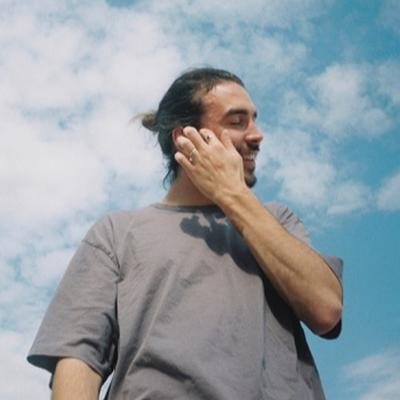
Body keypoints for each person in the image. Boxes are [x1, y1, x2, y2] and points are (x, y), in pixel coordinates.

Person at [28, 67, 343, 400]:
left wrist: (232, 195)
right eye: (237, 121)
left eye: (254, 120)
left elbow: (325, 309)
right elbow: (78, 360)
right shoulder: (117, 233)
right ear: (185, 137)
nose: (257, 135)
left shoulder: (277, 220)